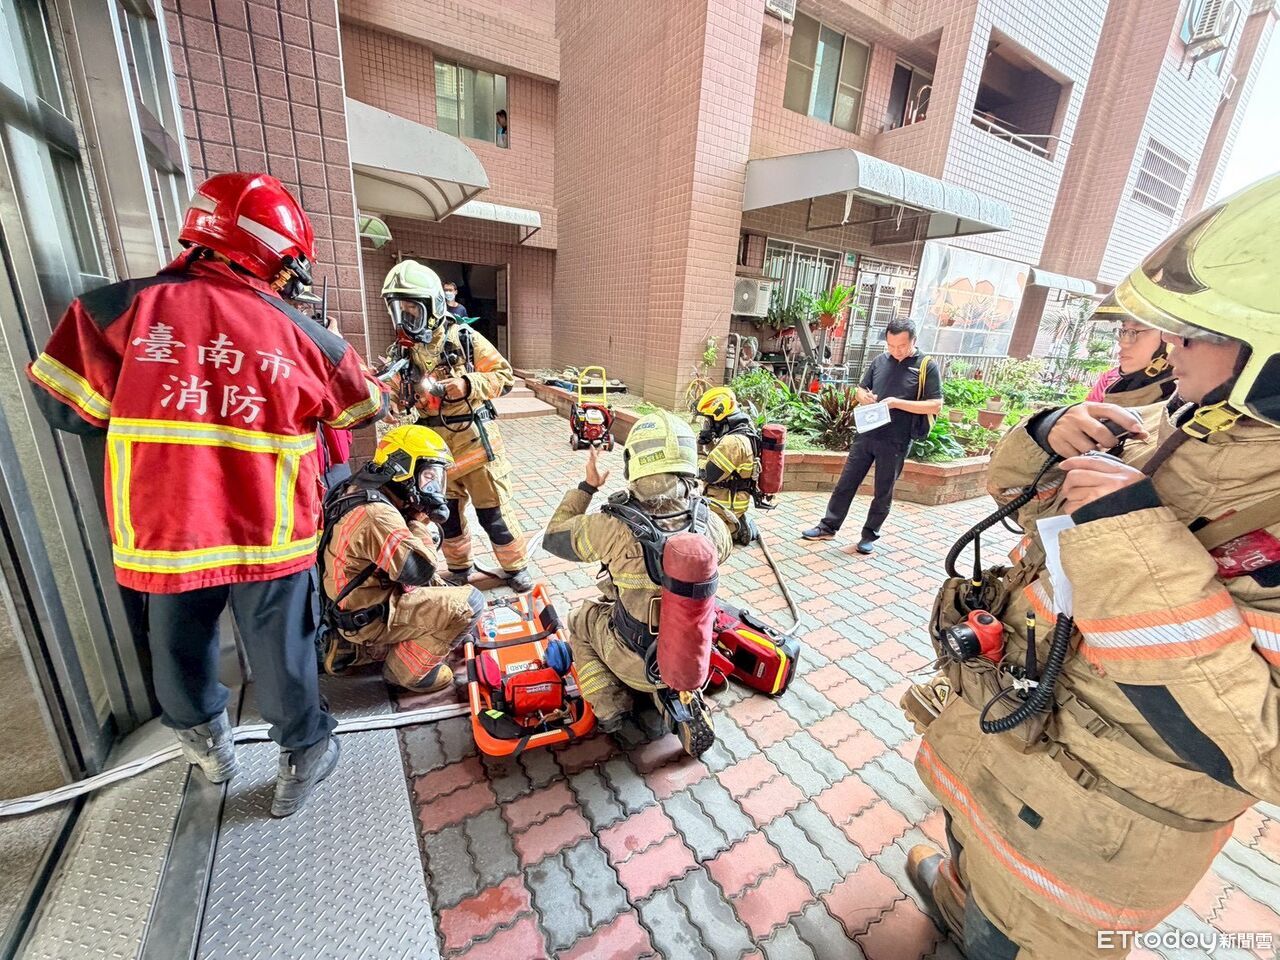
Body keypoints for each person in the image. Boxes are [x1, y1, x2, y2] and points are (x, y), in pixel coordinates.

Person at [900, 173, 1280, 959]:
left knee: (1021, 935)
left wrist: (1127, 536)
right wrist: (1048, 434)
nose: (1167, 346)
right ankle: (958, 899)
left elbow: (1265, 750)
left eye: (1193, 331)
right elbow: (1014, 497)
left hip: (1090, 833)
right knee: (970, 852)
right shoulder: (1174, 421)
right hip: (1010, 739)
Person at [27, 172, 388, 817]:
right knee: (282, 648)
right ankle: (304, 753)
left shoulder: (114, 313)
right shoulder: (308, 338)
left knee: (177, 640)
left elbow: (67, 412)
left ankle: (207, 747)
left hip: (166, 529)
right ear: (271, 250)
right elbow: (359, 411)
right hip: (268, 528)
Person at [542, 412, 733, 756]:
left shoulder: (610, 525)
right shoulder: (710, 523)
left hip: (633, 658)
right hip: (689, 655)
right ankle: (680, 700)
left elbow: (554, 537)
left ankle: (610, 707)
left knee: (580, 618)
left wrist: (588, 486)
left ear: (635, 462)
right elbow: (726, 548)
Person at [379, 260, 533, 592]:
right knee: (445, 518)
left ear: (433, 305)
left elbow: (504, 377)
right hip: (435, 455)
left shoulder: (463, 338)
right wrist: (387, 404)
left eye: (412, 310)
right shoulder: (402, 353)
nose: (406, 319)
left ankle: (515, 567)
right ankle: (459, 568)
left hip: (476, 447)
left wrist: (468, 383)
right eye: (399, 311)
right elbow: (391, 391)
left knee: (495, 517)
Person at [318, 425, 485, 694]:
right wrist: (421, 524)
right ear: (403, 470)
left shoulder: (363, 487)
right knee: (470, 603)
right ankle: (405, 673)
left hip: (354, 606)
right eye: (428, 475)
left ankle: (357, 650)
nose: (435, 487)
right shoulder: (377, 515)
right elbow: (418, 570)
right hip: (369, 616)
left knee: (444, 594)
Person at [802, 318, 941, 553]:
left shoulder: (926, 366)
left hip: (896, 439)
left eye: (901, 346)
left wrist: (897, 403)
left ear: (913, 341)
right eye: (891, 345)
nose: (895, 351)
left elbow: (935, 405)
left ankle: (869, 536)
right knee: (846, 482)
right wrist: (863, 397)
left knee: (883, 490)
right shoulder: (880, 361)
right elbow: (860, 388)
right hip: (867, 433)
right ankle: (828, 526)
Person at [696, 386, 760, 546]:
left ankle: (734, 528)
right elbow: (725, 466)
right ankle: (737, 523)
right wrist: (709, 443)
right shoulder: (741, 432)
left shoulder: (732, 443)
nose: (706, 424)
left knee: (690, 529)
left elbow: (708, 474)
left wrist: (698, 453)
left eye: (708, 420)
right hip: (729, 500)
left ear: (719, 416)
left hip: (723, 507)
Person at [1084, 294, 1175, 405]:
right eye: (1123, 330)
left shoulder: (1175, 406)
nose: (1123, 343)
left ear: (1170, 340)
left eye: (1135, 331)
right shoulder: (1120, 388)